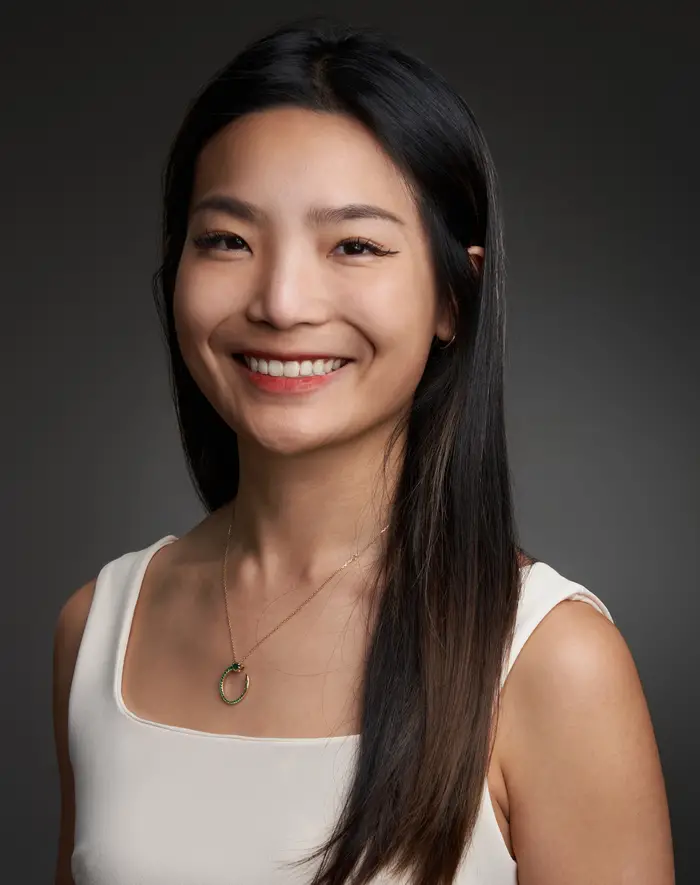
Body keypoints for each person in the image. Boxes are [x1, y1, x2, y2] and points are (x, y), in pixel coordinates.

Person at [51, 16, 674, 885]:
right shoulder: (97, 628)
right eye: (228, 239)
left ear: (455, 297)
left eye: (354, 245)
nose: (282, 301)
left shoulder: (549, 659)